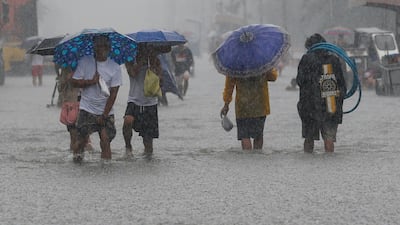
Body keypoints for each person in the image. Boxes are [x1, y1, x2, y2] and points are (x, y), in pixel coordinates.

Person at [70, 35, 122, 162]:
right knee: (81, 142)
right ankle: (77, 163)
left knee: (105, 140)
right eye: (98, 46)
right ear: (94, 47)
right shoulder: (85, 62)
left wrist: (104, 115)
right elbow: (74, 82)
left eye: (104, 46)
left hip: (106, 111)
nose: (101, 49)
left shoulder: (115, 67)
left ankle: (106, 169)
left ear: (109, 48)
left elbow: (114, 93)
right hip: (87, 108)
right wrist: (90, 82)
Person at [296, 33, 347, 153]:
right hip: (330, 104)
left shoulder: (306, 59)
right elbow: (342, 84)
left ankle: (309, 164)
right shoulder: (333, 59)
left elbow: (300, 81)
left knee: (309, 138)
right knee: (329, 139)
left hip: (310, 106)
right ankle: (329, 167)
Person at [220, 68, 278, 150]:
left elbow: (229, 85)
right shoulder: (262, 61)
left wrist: (226, 104)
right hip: (260, 104)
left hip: (243, 105)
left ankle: (247, 159)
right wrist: (265, 70)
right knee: (258, 135)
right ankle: (257, 158)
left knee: (245, 136)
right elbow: (273, 77)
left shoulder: (236, 63)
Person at [123, 44, 162, 157]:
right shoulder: (129, 60)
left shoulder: (155, 60)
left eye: (145, 49)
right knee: (127, 121)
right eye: (140, 49)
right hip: (134, 100)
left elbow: (161, 80)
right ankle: (128, 146)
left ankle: (148, 158)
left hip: (150, 103)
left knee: (148, 144)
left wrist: (155, 71)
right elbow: (133, 73)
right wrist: (140, 62)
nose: (142, 51)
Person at [57, 66, 93, 152]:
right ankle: (75, 157)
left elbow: (91, 85)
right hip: (70, 105)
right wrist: (66, 80)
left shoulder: (86, 66)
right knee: (73, 135)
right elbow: (60, 88)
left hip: (84, 104)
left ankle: (87, 155)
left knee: (85, 136)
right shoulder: (65, 68)